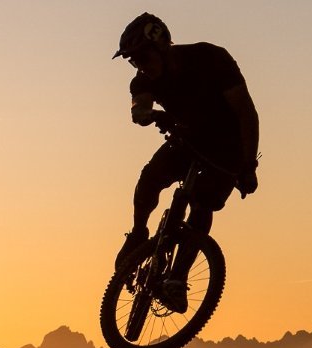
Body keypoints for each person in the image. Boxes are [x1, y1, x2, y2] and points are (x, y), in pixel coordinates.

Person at [111, 12, 261, 310]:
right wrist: (147, 114)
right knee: (149, 181)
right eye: (133, 61)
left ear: (162, 46)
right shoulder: (142, 81)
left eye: (142, 57)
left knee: (202, 205)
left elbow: (246, 112)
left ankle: (177, 280)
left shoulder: (211, 59)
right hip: (187, 140)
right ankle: (139, 234)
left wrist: (248, 166)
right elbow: (138, 106)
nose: (139, 66)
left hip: (227, 148)